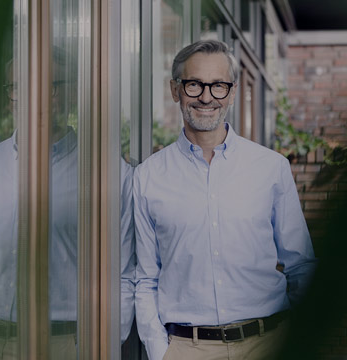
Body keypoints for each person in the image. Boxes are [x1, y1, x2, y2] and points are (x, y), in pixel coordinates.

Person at [133, 40, 316, 360]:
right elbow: (146, 278)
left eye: (218, 85)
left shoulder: (271, 168)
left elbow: (300, 266)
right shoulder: (148, 178)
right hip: (186, 349)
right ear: (175, 90)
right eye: (194, 85)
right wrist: (160, 351)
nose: (206, 97)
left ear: (232, 92)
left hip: (268, 342)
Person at [0, 50, 136, 359]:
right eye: (19, 86)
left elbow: (123, 273)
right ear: (10, 96)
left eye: (50, 86)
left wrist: (105, 346)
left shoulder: (108, 173)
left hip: (63, 344)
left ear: (70, 93)